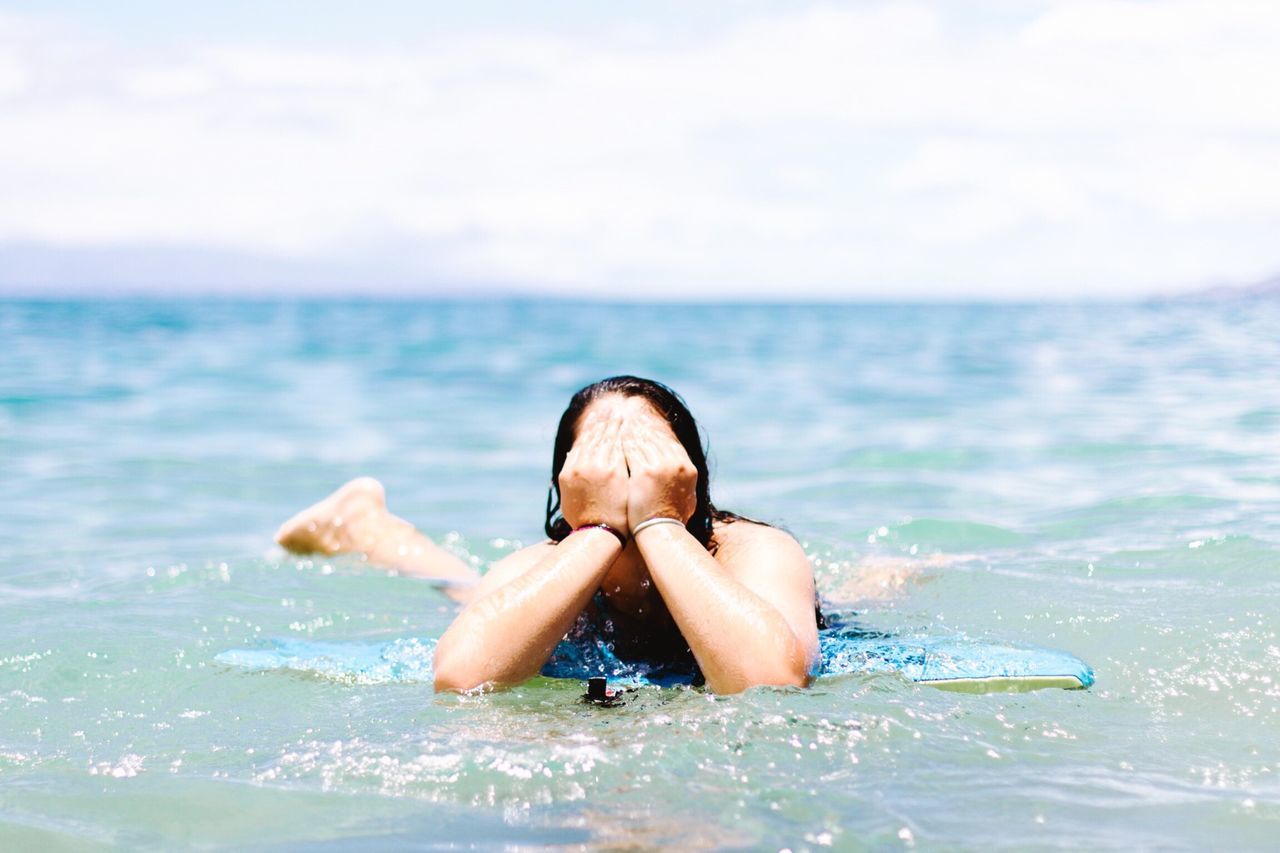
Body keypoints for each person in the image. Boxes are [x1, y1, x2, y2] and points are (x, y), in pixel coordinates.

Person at [274, 376, 820, 694]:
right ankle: (365, 525)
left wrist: (660, 523)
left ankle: (367, 526)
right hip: (580, 567)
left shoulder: (749, 552)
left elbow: (771, 681)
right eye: (604, 463)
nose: (627, 475)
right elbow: (462, 679)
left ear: (689, 478)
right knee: (476, 593)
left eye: (648, 460)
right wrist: (598, 530)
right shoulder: (549, 557)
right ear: (570, 483)